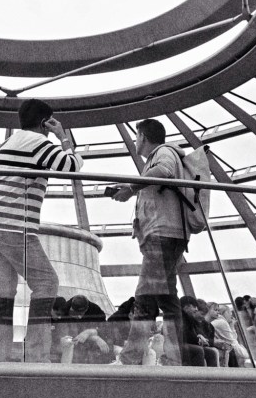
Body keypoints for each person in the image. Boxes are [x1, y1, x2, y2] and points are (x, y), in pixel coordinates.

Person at [0, 99, 82, 362]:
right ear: (45, 122)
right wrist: (63, 137)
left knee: (3, 288)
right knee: (47, 282)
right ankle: (36, 355)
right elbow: (71, 167)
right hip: (13, 225)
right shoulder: (40, 144)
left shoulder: (7, 144)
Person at [110, 119, 189, 366]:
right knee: (167, 299)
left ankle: (130, 358)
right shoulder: (160, 156)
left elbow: (164, 172)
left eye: (136, 136)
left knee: (144, 298)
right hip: (169, 235)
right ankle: (176, 359)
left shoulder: (163, 153)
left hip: (162, 236)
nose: (135, 142)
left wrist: (132, 188)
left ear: (142, 136)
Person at [58, 295, 115, 364]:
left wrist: (90, 332)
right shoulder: (63, 311)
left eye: (82, 313)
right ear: (71, 308)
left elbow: (106, 329)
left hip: (90, 351)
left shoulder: (96, 310)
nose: (79, 317)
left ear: (87, 308)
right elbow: (65, 336)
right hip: (70, 350)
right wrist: (94, 337)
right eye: (75, 313)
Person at [179, 296, 219, 367]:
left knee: (211, 352)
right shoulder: (180, 318)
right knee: (198, 350)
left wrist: (199, 338)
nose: (195, 309)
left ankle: (213, 376)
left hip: (184, 343)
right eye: (194, 306)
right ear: (186, 307)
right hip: (178, 345)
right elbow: (185, 335)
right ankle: (198, 376)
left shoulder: (188, 318)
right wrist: (199, 339)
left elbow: (191, 334)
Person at [206, 302, 248, 367]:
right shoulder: (221, 322)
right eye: (229, 312)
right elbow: (232, 343)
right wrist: (245, 354)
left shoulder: (219, 321)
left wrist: (231, 326)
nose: (231, 315)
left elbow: (232, 339)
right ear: (223, 313)